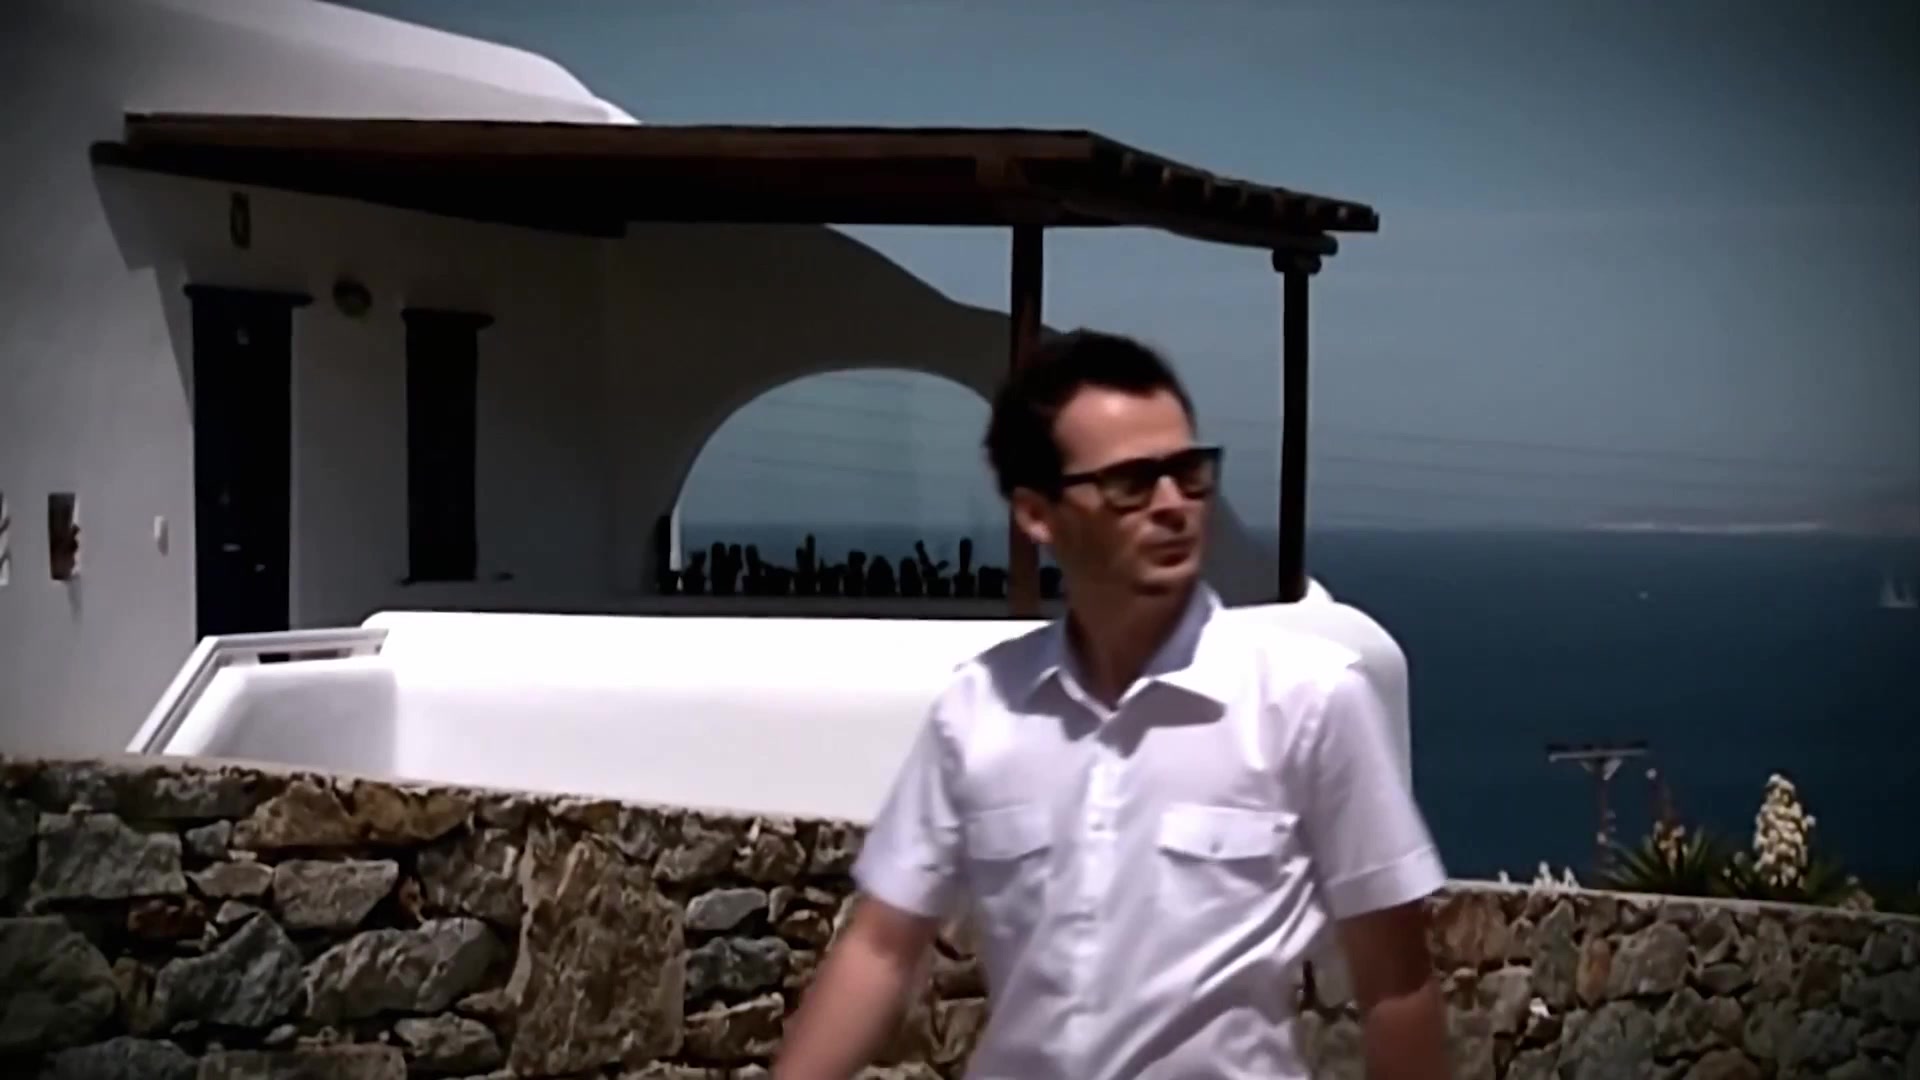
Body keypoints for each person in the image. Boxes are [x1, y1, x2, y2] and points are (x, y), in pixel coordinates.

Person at [774, 330, 1449, 1079]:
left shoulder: (1309, 700)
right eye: (1132, 482)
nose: (1173, 505)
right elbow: (880, 948)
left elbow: (1396, 980)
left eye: (1188, 473)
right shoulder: (978, 708)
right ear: (1038, 514)